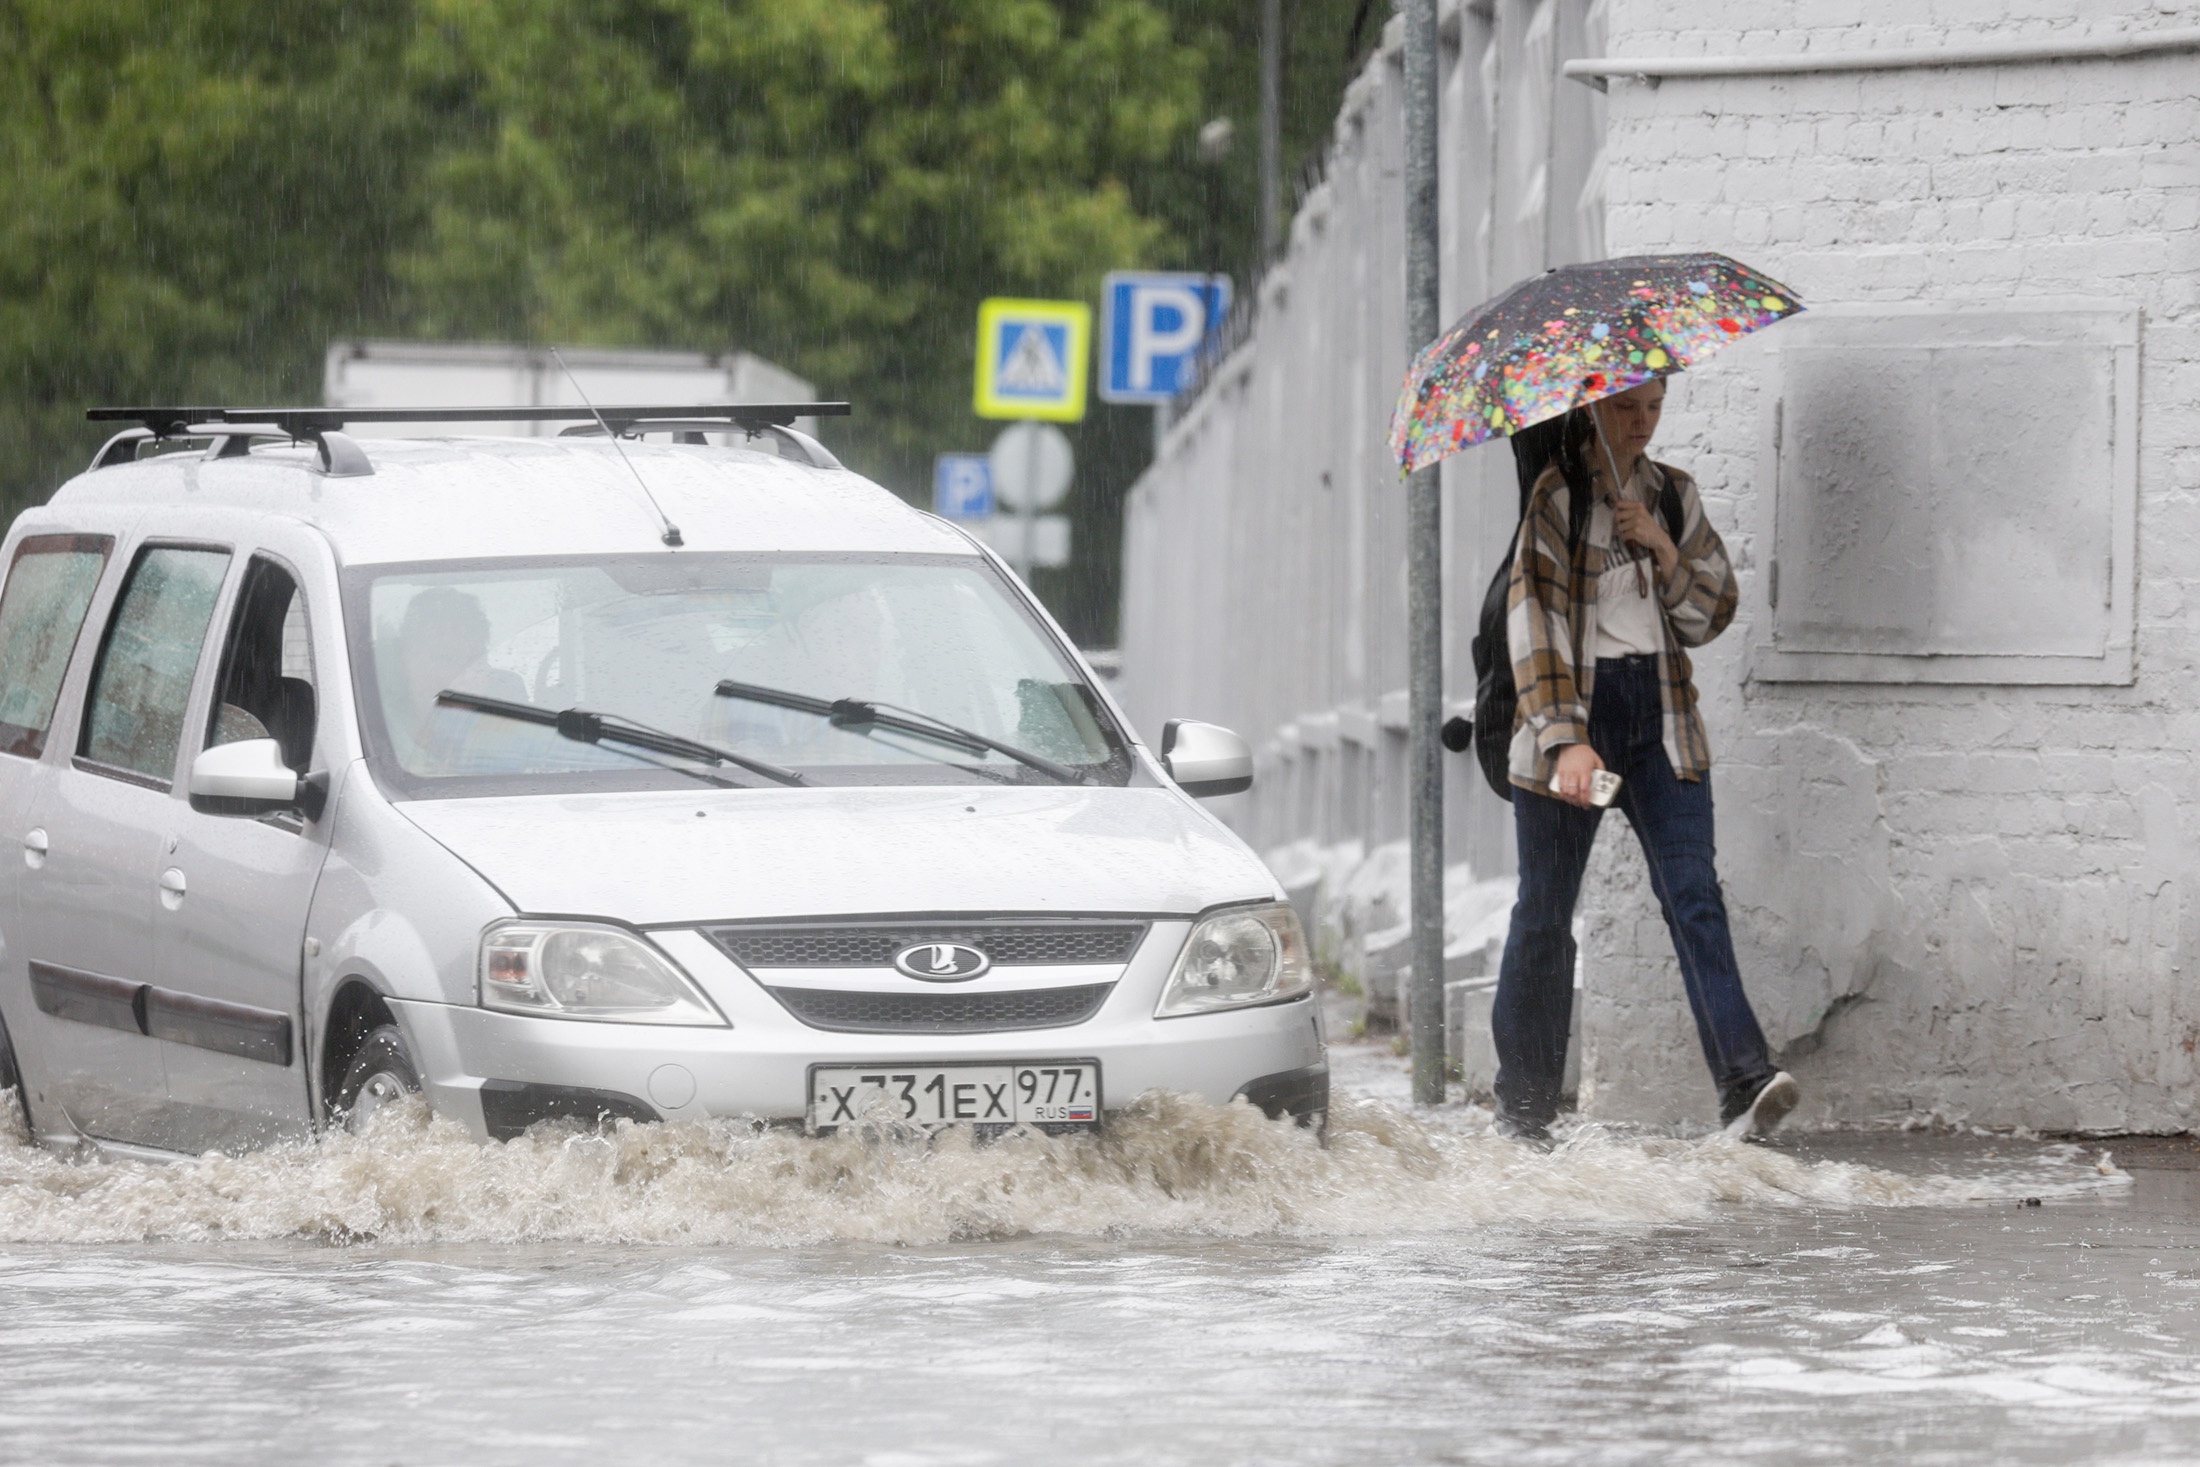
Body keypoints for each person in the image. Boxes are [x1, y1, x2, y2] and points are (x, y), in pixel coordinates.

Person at [1493, 377, 1798, 1146]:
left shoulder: (1671, 494)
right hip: (1579, 722)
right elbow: (1532, 622)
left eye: (1654, 406)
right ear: (1594, 406)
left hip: (1658, 722)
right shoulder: (1556, 498)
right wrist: (1566, 736)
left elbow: (1712, 613)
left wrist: (1662, 546)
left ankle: (1745, 1085)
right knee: (1544, 916)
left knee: (1694, 894)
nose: (1641, 422)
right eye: (1627, 407)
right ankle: (1525, 1109)